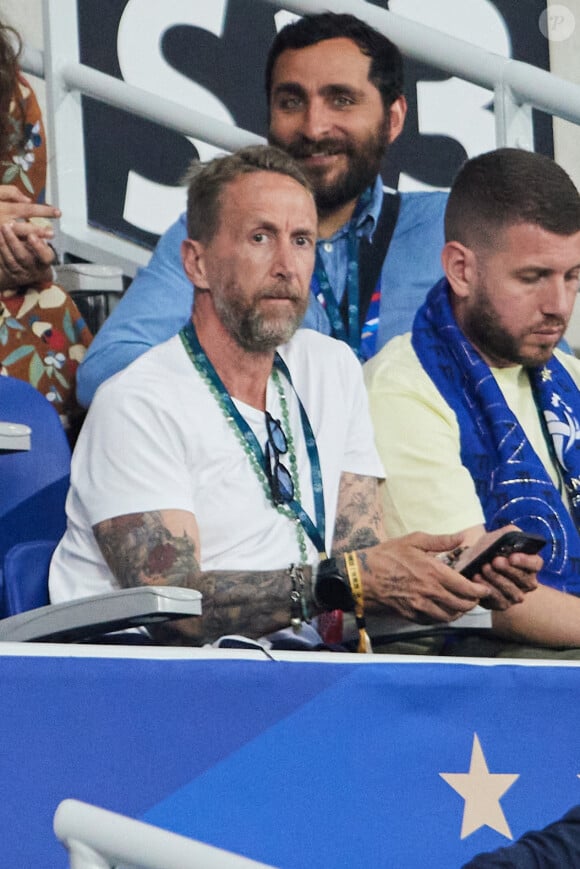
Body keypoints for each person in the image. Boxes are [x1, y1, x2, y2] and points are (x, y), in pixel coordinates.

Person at [48, 146, 539, 648]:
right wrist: (339, 581)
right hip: (151, 684)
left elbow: (356, 554)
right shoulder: (135, 401)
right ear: (196, 263)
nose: (286, 265)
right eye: (260, 238)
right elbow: (177, 609)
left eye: (302, 240)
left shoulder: (332, 368)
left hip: (302, 669)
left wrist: (453, 575)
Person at [75, 12, 448, 407]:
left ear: (393, 119)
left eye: (341, 100)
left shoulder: (447, 227)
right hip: (270, 461)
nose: (314, 127)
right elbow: (105, 374)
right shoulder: (214, 230)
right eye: (291, 102)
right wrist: (262, 394)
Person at [365, 147, 580, 656]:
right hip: (492, 676)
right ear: (461, 269)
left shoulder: (568, 376)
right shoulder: (402, 389)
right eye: (532, 278)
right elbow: (487, 597)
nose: (559, 307)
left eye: (572, 277)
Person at [0, 17, 92, 440]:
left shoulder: (10, 92)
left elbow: (23, 219)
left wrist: (22, 251)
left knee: (47, 303)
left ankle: (51, 490)